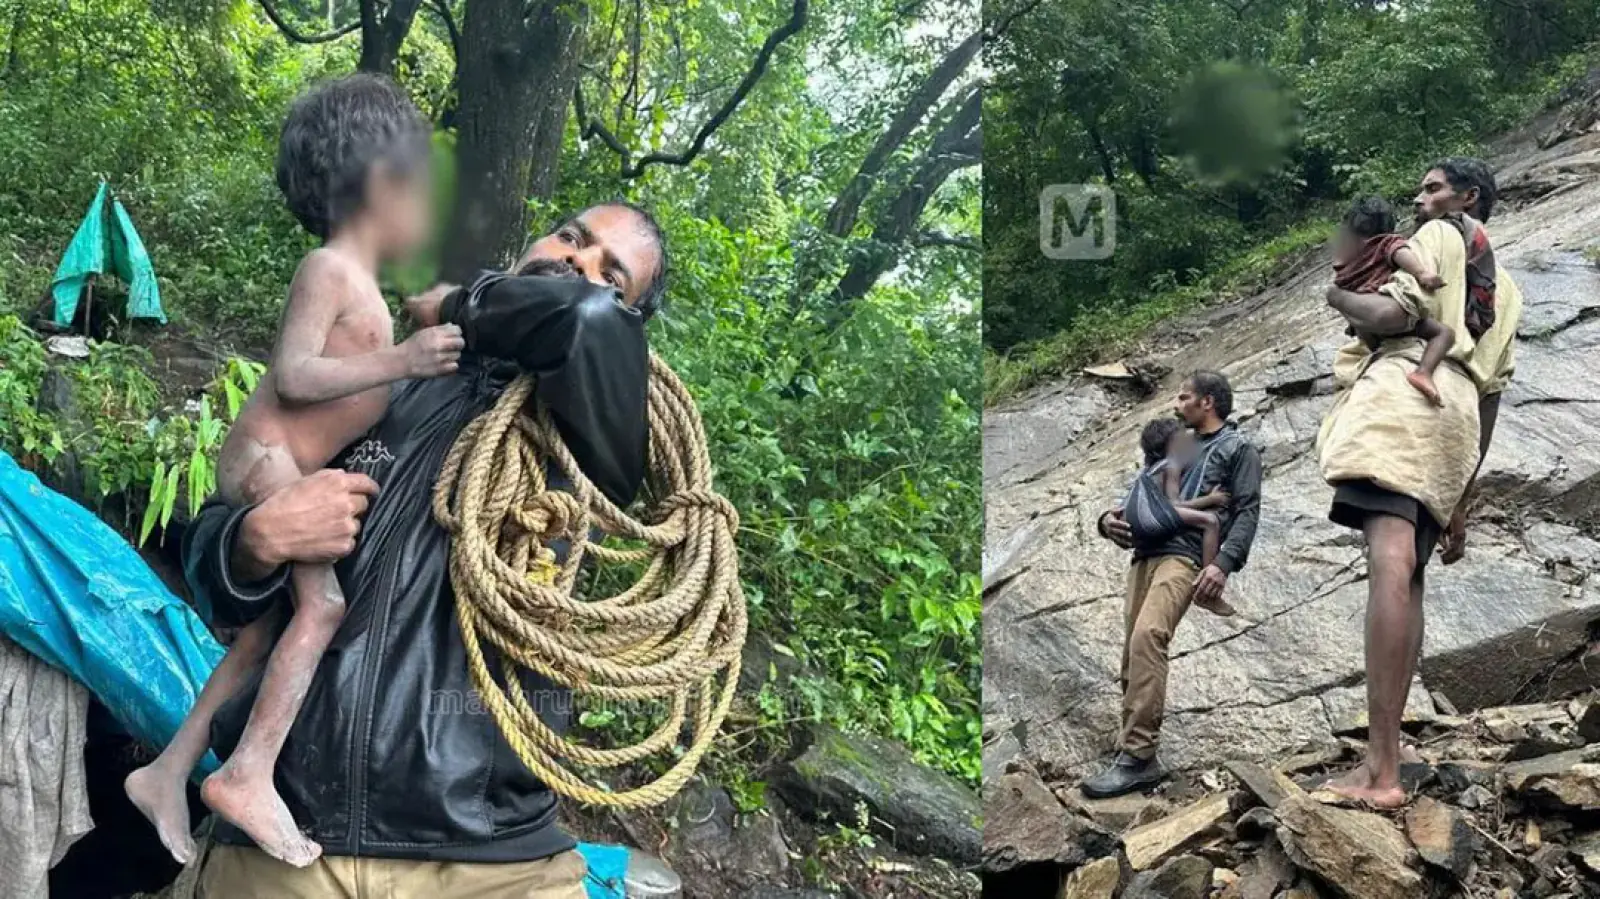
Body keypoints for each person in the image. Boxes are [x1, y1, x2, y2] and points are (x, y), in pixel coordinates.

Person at [181, 201, 666, 898]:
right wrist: (253, 541)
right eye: (570, 237)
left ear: (630, 327)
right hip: (285, 832)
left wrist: (464, 301)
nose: (575, 261)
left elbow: (584, 323)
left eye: (609, 275)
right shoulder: (381, 372)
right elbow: (208, 557)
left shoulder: (600, 430)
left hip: (491, 857)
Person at [124, 72, 465, 869]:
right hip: (264, 462)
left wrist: (429, 328)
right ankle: (245, 772)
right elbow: (295, 375)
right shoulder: (328, 270)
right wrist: (404, 356)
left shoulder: (371, 295)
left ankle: (169, 767)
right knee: (322, 611)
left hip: (286, 465)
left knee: (264, 633)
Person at [1317, 156, 1520, 808]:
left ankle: (1379, 772)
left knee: (1388, 561)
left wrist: (1338, 296)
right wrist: (1462, 494)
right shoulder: (1507, 288)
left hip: (1405, 396)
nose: (1421, 196)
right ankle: (1392, 745)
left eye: (1432, 187)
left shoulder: (1435, 235)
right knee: (1412, 577)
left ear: (1467, 196)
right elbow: (1491, 398)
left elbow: (1393, 317)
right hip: (1454, 425)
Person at [1085, 371, 1263, 798]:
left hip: (1183, 556)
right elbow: (1142, 493)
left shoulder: (1238, 449)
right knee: (1132, 649)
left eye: (1184, 397)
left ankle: (1138, 756)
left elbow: (1248, 510)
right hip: (1144, 554)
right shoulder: (1174, 444)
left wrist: (1222, 563)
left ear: (1208, 403)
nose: (1176, 403)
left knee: (1149, 636)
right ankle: (1133, 752)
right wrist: (1105, 522)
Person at [1332, 195, 1454, 406]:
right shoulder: (1385, 243)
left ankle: (1376, 352)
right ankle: (1423, 372)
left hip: (1364, 319)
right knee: (1444, 333)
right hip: (1389, 309)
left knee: (1356, 318)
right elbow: (1400, 253)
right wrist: (1422, 274)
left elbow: (1339, 277)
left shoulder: (1349, 257)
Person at [1121, 418, 1232, 615]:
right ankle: (1207, 588)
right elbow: (1173, 505)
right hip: (1153, 517)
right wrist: (1210, 499)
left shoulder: (1150, 469)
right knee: (1210, 522)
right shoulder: (1171, 464)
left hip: (1138, 525)